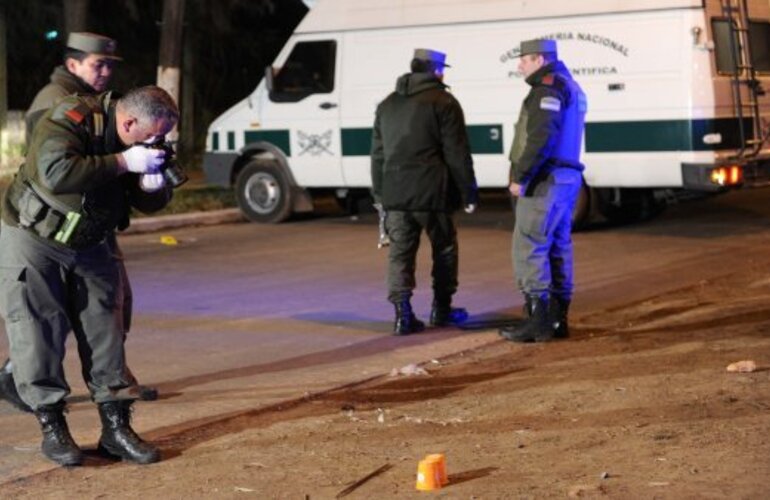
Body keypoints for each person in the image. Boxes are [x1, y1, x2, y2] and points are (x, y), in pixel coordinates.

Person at [0, 85, 178, 466]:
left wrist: (153, 182)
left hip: (92, 240)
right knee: (37, 332)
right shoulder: (73, 118)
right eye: (153, 136)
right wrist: (126, 163)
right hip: (35, 238)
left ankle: (116, 430)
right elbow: (55, 171)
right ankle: (53, 428)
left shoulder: (138, 141)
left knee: (106, 332)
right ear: (128, 122)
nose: (157, 143)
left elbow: (147, 201)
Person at [0, 32, 157, 413]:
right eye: (97, 64)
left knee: (111, 304)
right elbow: (54, 172)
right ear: (73, 65)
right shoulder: (57, 104)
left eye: (109, 65)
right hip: (55, 227)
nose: (104, 72)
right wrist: (122, 164)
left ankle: (113, 383)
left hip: (92, 224)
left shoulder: (105, 109)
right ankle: (19, 376)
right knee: (50, 315)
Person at [371, 48, 478, 335]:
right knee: (443, 250)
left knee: (400, 254)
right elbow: (457, 152)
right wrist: (468, 191)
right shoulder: (444, 102)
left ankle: (402, 315)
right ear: (436, 71)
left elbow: (378, 155)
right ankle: (441, 310)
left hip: (395, 195)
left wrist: (380, 195)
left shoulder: (387, 105)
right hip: (434, 194)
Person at [498, 39, 587, 343]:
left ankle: (537, 322)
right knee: (558, 246)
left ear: (539, 59)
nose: (519, 65)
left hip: (544, 181)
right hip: (566, 179)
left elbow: (541, 136)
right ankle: (559, 320)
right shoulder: (570, 85)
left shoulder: (546, 89)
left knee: (530, 246)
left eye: (523, 59)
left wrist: (521, 176)